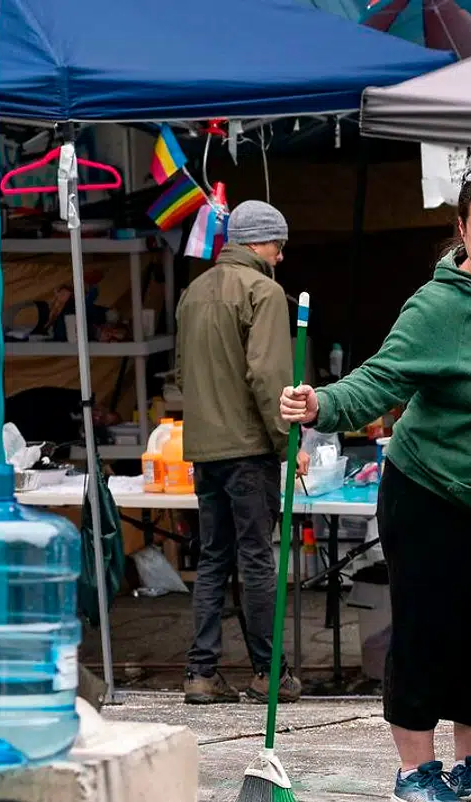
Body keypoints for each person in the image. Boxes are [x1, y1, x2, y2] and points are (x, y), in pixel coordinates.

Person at [280, 171, 471, 802]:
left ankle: (470, 763)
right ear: (460, 231)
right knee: (427, 632)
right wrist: (320, 404)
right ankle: (414, 770)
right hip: (430, 493)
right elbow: (378, 381)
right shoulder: (436, 309)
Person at [176, 200, 307, 706]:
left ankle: (200, 672)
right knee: (256, 559)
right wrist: (287, 441)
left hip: (204, 448)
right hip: (250, 449)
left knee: (212, 558)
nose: (280, 255)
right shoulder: (264, 292)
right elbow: (269, 376)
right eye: (277, 245)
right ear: (260, 242)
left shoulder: (195, 291)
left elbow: (185, 372)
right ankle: (268, 673)